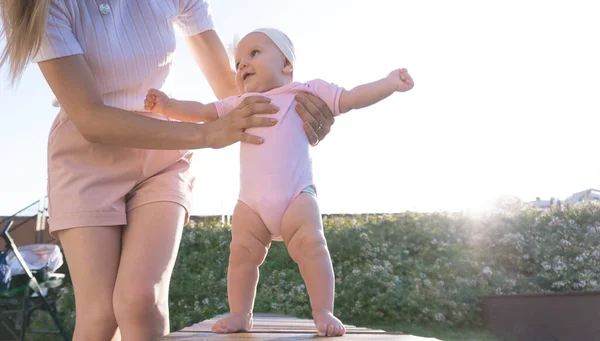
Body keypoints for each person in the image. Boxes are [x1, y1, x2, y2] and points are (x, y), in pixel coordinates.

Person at [0, 2, 335, 340]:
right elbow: (91, 118)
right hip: (86, 158)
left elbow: (232, 91)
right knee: (100, 314)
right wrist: (206, 134)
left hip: (162, 153)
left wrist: (295, 113)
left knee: (140, 301)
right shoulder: (39, 6)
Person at [144, 27, 414, 337]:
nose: (243, 65)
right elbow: (205, 113)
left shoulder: (307, 91)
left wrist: (389, 83)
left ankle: (323, 310)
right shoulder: (240, 103)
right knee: (241, 254)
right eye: (238, 63)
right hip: (251, 205)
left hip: (296, 195)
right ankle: (240, 314)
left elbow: (352, 97)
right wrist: (167, 106)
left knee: (313, 246)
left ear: (286, 65)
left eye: (254, 54)